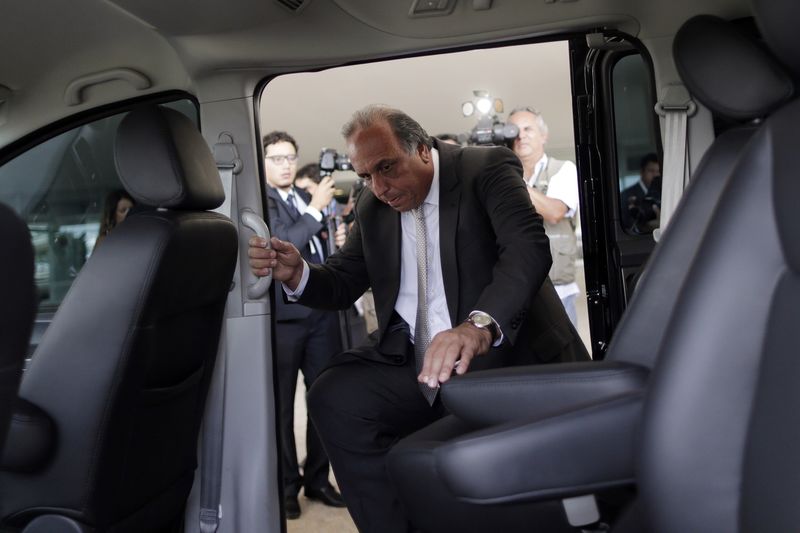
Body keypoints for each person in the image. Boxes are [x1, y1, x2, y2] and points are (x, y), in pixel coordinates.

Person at [249, 105, 587, 532]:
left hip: (503, 351)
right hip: (415, 358)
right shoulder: (372, 202)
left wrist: (477, 325)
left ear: (423, 151)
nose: (379, 186)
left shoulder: (486, 168)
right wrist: (298, 273)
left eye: (387, 168)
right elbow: (343, 280)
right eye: (366, 174)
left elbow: (527, 250)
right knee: (332, 395)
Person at [261, 131, 345, 518]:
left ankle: (317, 479)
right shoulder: (262, 200)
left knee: (324, 398)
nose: (286, 165)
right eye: (277, 158)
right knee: (280, 407)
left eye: (290, 157)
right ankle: (286, 488)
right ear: (264, 162)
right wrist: (315, 211)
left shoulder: (302, 196)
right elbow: (281, 242)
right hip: (283, 317)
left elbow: (316, 246)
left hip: (321, 313)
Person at [508, 107, 582, 328]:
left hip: (559, 288)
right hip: (517, 288)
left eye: (528, 129)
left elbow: (554, 212)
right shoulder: (502, 174)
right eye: (514, 130)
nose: (520, 136)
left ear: (544, 135)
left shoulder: (564, 170)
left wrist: (509, 178)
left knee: (566, 357)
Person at [620, 153, 661, 233]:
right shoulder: (626, 195)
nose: (655, 175)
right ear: (642, 172)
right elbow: (625, 225)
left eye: (658, 171)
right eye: (651, 171)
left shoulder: (664, 192)